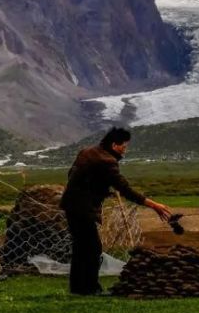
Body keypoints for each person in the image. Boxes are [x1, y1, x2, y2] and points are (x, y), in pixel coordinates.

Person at [59, 127, 172, 296]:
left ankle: (78, 288)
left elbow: (76, 176)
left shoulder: (87, 152)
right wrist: (154, 205)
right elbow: (125, 190)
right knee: (92, 248)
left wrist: (100, 190)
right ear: (114, 145)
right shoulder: (107, 161)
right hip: (83, 208)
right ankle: (89, 289)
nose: (125, 150)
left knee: (81, 247)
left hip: (70, 204)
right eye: (124, 146)